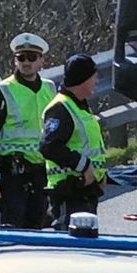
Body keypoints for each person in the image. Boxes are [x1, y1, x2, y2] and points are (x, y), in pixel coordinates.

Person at [0, 32, 59, 226]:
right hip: (12, 176)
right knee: (10, 234)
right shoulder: (2, 91)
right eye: (21, 58)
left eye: (31, 57)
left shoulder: (50, 88)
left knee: (36, 231)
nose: (26, 62)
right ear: (15, 61)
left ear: (42, 61)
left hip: (40, 175)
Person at [46, 55, 111, 216]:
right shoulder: (61, 108)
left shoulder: (79, 105)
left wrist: (100, 175)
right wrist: (83, 166)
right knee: (71, 240)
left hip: (85, 190)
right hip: (70, 191)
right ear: (83, 79)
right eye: (94, 77)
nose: (96, 81)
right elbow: (49, 146)